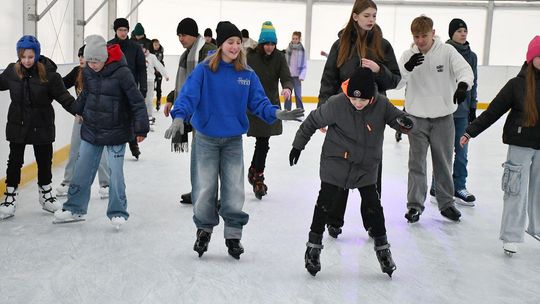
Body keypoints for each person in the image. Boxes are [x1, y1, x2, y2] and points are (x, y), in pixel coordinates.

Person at [164, 21, 304, 259]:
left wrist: (275, 113)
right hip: (206, 139)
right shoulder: (205, 70)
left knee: (234, 190)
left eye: (239, 42)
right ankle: (204, 230)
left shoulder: (246, 74)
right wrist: (179, 117)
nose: (235, 47)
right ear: (221, 44)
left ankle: (233, 235)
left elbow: (259, 102)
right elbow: (189, 96)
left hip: (232, 141)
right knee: (205, 188)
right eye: (230, 42)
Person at [290, 67, 413, 277]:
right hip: (336, 161)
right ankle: (313, 248)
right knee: (324, 203)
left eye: (363, 100)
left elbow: (399, 120)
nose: (357, 103)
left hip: (366, 165)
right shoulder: (337, 103)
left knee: (373, 206)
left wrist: (406, 124)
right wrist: (298, 145)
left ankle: (383, 250)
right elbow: (312, 121)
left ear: (371, 96)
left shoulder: (381, 104)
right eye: (354, 99)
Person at [318, 0, 401, 239]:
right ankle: (334, 219)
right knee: (341, 165)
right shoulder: (340, 45)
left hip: (372, 116)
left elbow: (394, 80)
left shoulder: (382, 45)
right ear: (355, 16)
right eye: (366, 15)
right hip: (344, 113)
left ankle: (373, 223)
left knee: (371, 167)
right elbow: (329, 79)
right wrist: (324, 111)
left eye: (374, 15)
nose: (371, 19)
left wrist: (378, 70)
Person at [53, 35, 149, 228]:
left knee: (115, 174)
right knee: (82, 170)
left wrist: (141, 128)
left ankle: (118, 212)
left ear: (104, 58)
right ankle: (74, 208)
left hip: (116, 131)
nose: (93, 65)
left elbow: (136, 102)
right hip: (92, 129)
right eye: (89, 61)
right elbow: (87, 94)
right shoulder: (88, 71)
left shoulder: (122, 73)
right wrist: (77, 109)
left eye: (96, 61)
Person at [460, 35, 540, 256]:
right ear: (531, 58)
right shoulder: (517, 85)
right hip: (521, 145)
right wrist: (470, 131)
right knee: (515, 191)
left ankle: (537, 228)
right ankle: (511, 236)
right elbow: (493, 111)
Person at [398, 15, 473, 223]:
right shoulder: (407, 55)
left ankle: (446, 203)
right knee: (416, 164)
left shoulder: (447, 51)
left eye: (424, 35)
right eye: (416, 36)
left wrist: (463, 86)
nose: (420, 41)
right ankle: (414, 206)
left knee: (443, 162)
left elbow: (465, 70)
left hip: (443, 118)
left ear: (433, 33)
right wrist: (407, 67)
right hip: (417, 118)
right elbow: (396, 82)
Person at [0, 35, 75, 219]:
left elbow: (64, 98)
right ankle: (10, 196)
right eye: (23, 56)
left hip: (42, 123)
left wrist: (81, 112)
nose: (26, 60)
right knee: (14, 161)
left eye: (30, 56)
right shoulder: (12, 70)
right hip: (18, 124)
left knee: (44, 160)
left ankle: (46, 196)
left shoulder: (49, 75)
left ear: (37, 54)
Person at [163, 17, 217, 205]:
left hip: (207, 111)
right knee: (198, 153)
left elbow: (205, 81)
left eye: (184, 34)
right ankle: (198, 191)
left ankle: (208, 194)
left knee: (206, 155)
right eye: (178, 35)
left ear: (194, 34)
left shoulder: (207, 51)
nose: (180, 38)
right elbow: (187, 83)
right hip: (193, 111)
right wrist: (172, 98)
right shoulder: (188, 55)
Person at [429, 18, 478, 207]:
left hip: (462, 113)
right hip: (445, 111)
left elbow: (474, 80)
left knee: (462, 152)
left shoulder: (472, 56)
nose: (463, 34)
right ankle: (436, 185)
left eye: (465, 30)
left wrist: (473, 106)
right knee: (443, 152)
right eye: (459, 31)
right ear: (451, 34)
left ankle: (459, 186)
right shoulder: (443, 52)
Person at [246, 21, 293, 199]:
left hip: (270, 105)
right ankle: (254, 172)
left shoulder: (279, 57)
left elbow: (286, 77)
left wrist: (287, 88)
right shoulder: (251, 58)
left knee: (263, 141)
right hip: (252, 105)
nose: (270, 47)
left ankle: (257, 174)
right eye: (266, 43)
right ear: (260, 43)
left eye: (273, 43)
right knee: (261, 141)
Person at [56, 45, 110, 199]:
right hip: (80, 118)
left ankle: (105, 184)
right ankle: (68, 182)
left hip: (99, 119)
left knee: (101, 152)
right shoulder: (77, 72)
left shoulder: (100, 74)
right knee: (74, 149)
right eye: (79, 56)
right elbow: (60, 85)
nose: (81, 59)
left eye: (84, 56)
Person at [109, 18, 147, 159]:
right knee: (115, 116)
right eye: (120, 30)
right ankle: (114, 144)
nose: (123, 33)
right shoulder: (109, 46)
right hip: (113, 88)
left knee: (130, 116)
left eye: (125, 30)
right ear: (115, 30)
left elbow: (142, 69)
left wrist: (143, 90)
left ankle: (133, 144)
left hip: (130, 87)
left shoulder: (135, 47)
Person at [138, 41, 169, 127]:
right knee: (139, 100)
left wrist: (165, 75)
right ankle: (139, 118)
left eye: (144, 50)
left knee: (149, 99)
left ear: (147, 49)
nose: (143, 51)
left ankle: (149, 117)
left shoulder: (152, 57)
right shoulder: (137, 56)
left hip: (149, 80)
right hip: (139, 81)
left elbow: (159, 66)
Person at [284, 31, 307, 111]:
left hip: (297, 77)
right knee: (288, 94)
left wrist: (302, 75)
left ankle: (299, 111)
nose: (294, 40)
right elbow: (284, 63)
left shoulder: (302, 51)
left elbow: (304, 65)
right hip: (288, 76)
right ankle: (287, 111)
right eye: (293, 38)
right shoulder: (288, 49)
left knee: (298, 95)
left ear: (299, 39)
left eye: (296, 38)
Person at [150, 39, 165, 111]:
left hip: (159, 73)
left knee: (159, 88)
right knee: (151, 88)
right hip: (152, 72)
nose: (157, 46)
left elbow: (161, 62)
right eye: (155, 45)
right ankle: (150, 102)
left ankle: (158, 101)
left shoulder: (161, 51)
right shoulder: (150, 53)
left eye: (158, 45)